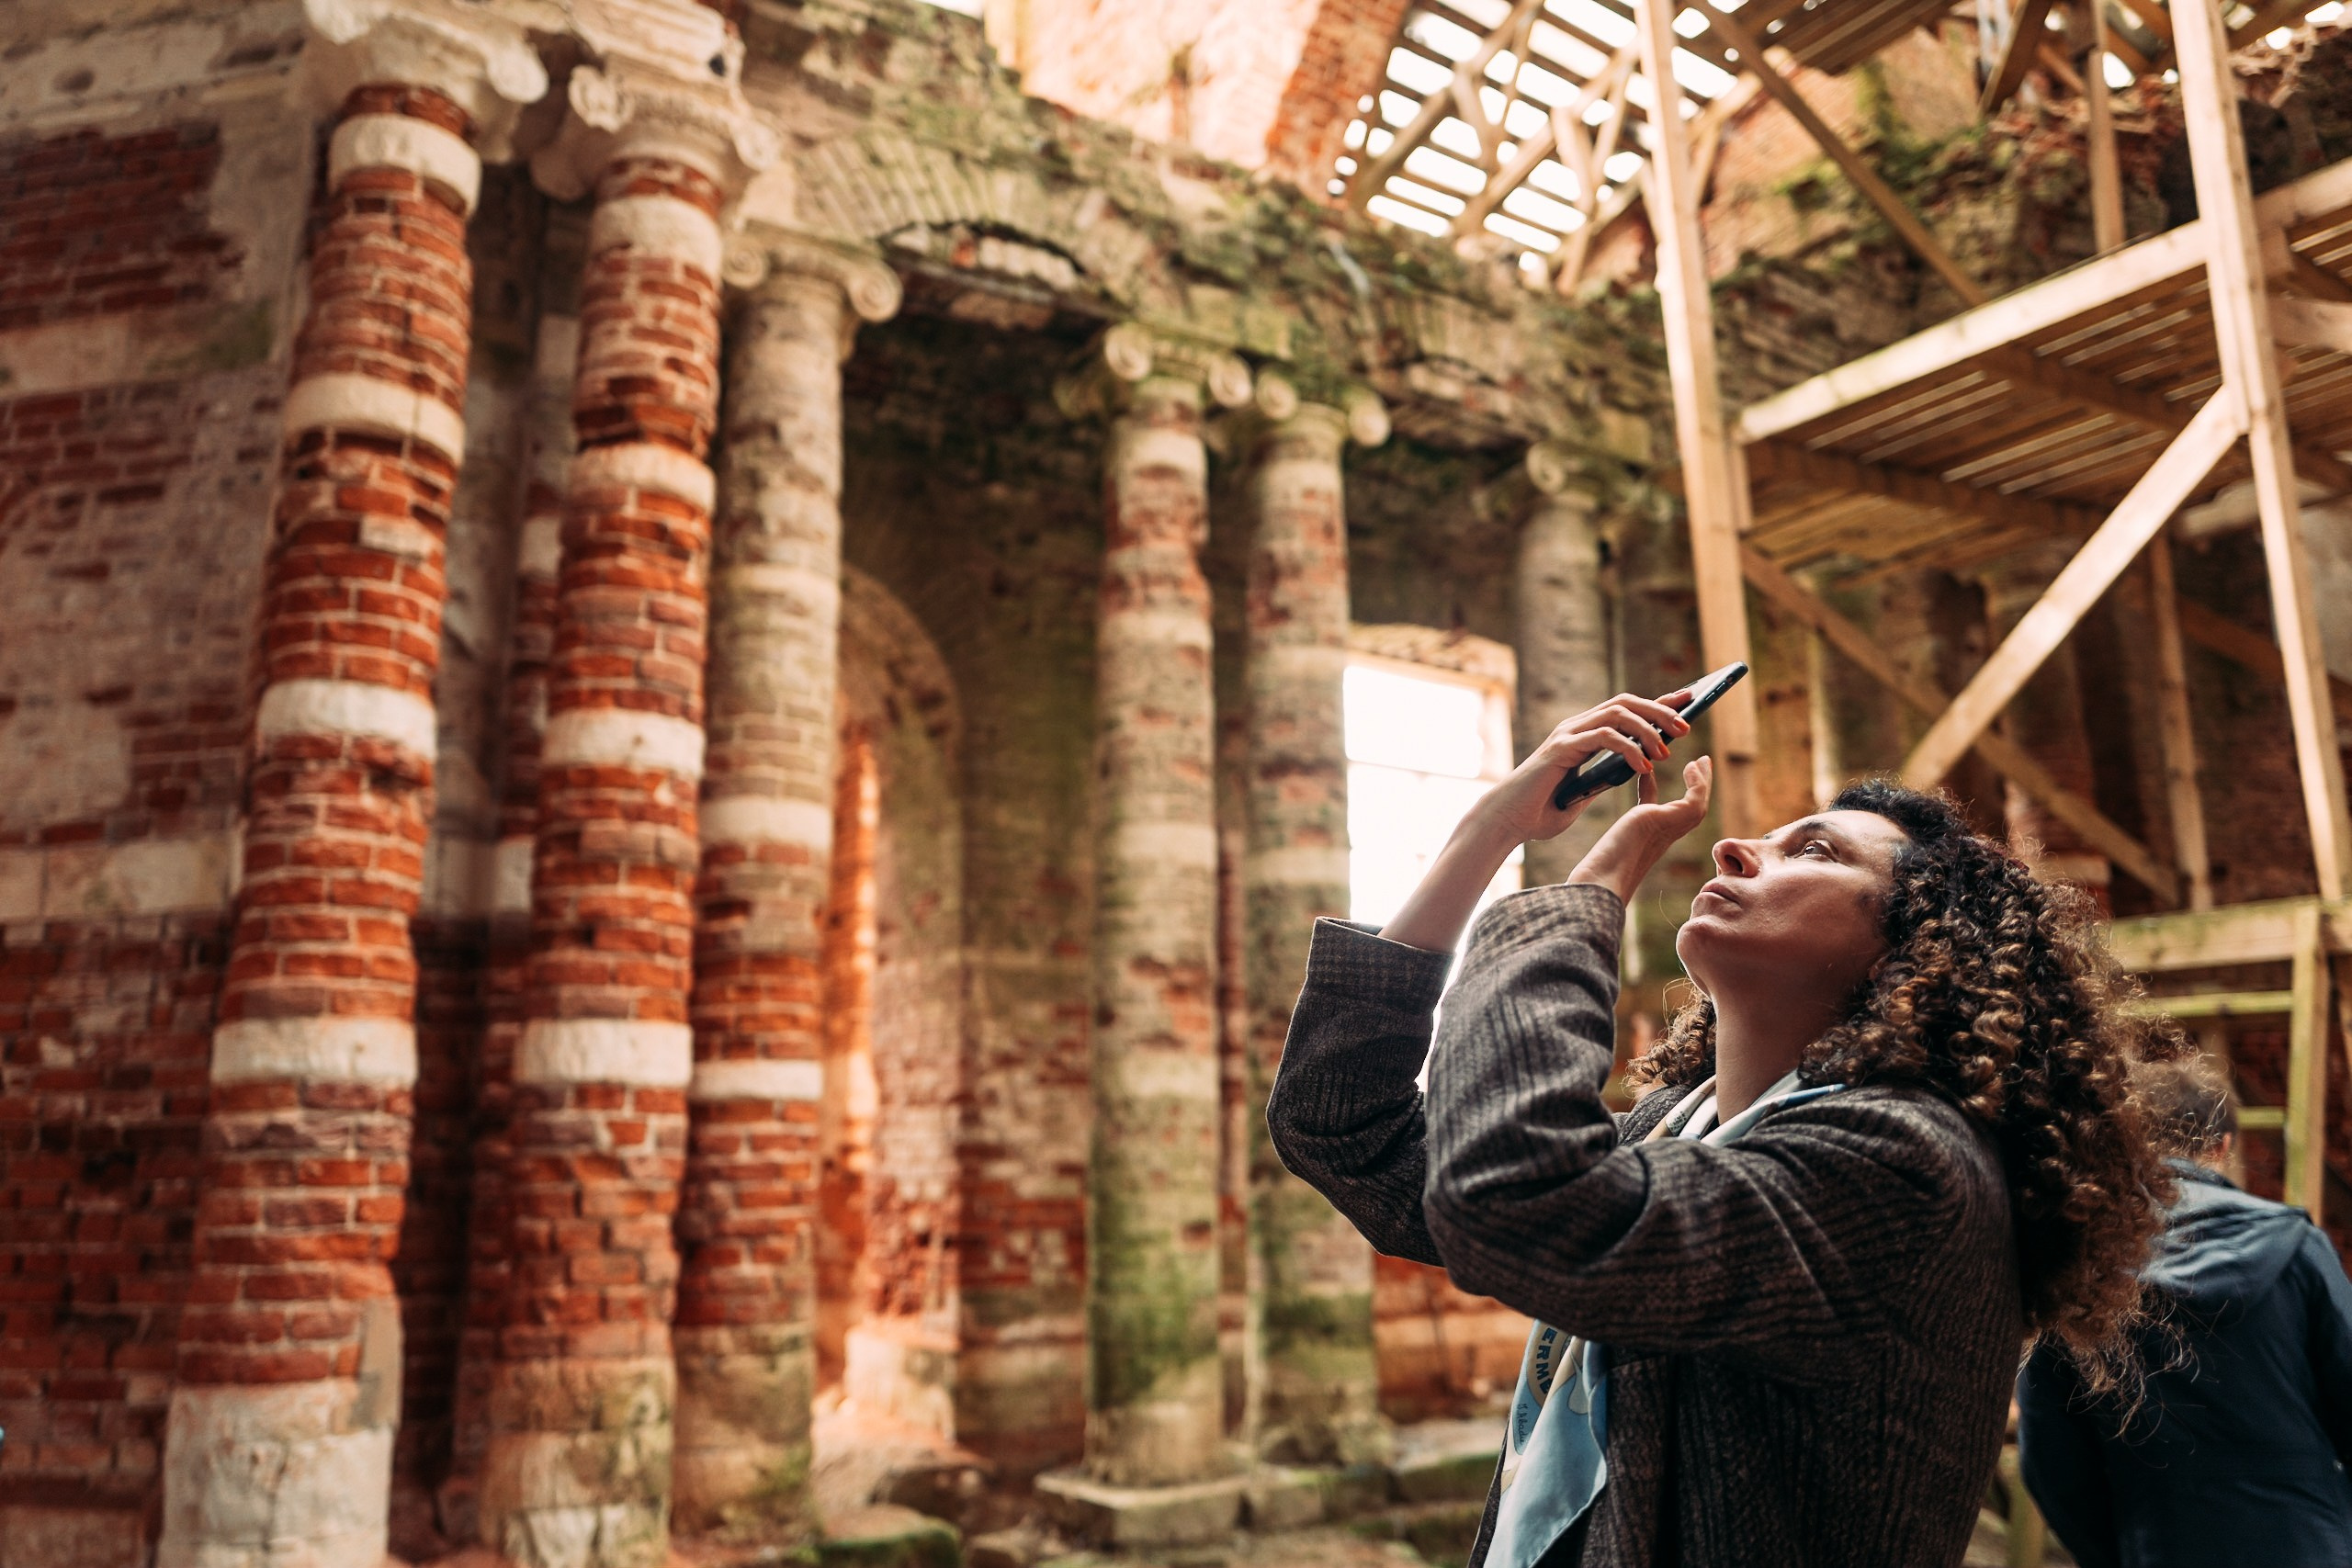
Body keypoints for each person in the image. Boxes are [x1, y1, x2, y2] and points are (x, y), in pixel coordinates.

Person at [1265, 691, 2170, 1568]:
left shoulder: (1906, 1165)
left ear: (1916, 945)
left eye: (1813, 850)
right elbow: (1346, 1129)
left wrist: (1593, 888)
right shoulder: (1680, 1126)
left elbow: (1518, 1197)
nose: (1733, 846)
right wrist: (1487, 831)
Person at [2018, 1055, 2352, 1568]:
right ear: (2223, 1147)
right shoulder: (2298, 1248)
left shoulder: (2080, 1267)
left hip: (2159, 1545)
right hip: (2308, 1544)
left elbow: (2051, 1463)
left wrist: (2124, 1548)